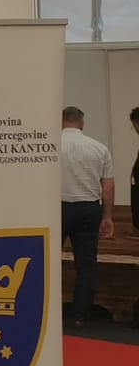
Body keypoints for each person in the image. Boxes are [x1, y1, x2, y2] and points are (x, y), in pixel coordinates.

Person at [59, 106, 115, 327]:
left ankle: (46, 309)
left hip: (58, 207)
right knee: (86, 264)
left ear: (60, 121)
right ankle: (80, 315)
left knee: (49, 261)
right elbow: (108, 187)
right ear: (82, 123)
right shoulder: (99, 148)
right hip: (88, 208)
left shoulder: (50, 145)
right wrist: (107, 216)